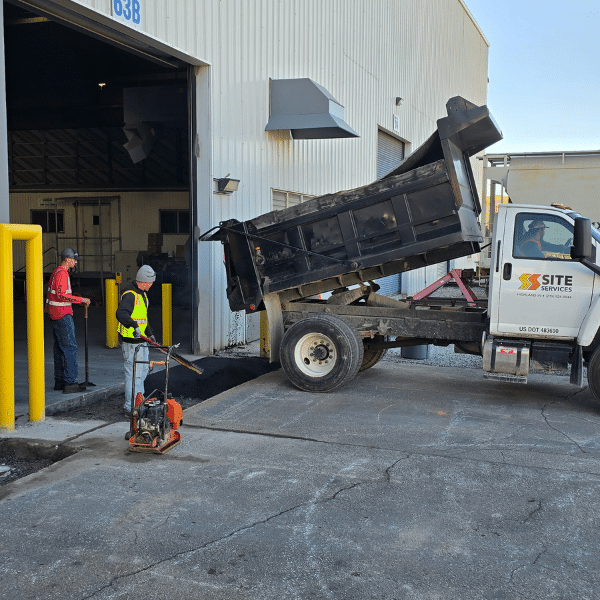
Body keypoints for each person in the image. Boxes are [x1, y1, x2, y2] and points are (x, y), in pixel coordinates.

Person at [45, 248, 91, 393]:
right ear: (67, 259)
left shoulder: (56, 272)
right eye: (74, 259)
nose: (76, 261)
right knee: (70, 348)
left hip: (54, 315)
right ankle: (70, 382)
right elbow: (61, 295)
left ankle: (60, 381)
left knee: (59, 348)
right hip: (62, 315)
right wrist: (81, 300)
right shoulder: (62, 274)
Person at [116, 265, 157, 414]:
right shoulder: (130, 295)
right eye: (151, 282)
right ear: (144, 281)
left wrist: (149, 333)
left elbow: (143, 319)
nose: (152, 285)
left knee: (143, 370)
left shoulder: (143, 295)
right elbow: (121, 313)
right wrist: (133, 326)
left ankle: (139, 401)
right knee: (134, 374)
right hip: (131, 343)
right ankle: (130, 406)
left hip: (141, 341)